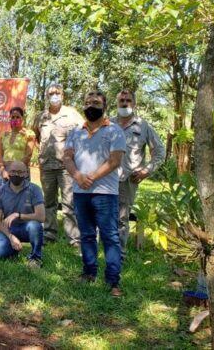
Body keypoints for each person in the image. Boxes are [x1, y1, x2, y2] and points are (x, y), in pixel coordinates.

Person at [63, 90, 126, 297]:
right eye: (88, 102)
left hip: (106, 193)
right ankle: (89, 272)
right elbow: (67, 158)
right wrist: (77, 176)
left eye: (96, 103)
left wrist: (92, 177)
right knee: (87, 235)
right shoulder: (75, 132)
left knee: (110, 236)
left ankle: (113, 281)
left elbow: (115, 160)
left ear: (104, 106)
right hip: (81, 192)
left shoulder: (115, 131)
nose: (91, 105)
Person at [111, 89, 164, 258]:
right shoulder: (109, 124)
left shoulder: (143, 126)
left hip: (128, 179)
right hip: (106, 177)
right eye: (121, 100)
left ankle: (119, 253)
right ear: (117, 103)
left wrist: (146, 171)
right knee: (104, 213)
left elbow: (160, 152)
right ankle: (103, 248)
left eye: (128, 100)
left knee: (122, 217)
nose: (125, 103)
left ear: (134, 104)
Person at [32, 84, 84, 245]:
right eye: (51, 93)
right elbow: (34, 135)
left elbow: (84, 133)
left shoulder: (72, 115)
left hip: (66, 167)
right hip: (46, 166)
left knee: (69, 203)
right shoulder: (41, 116)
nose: (54, 96)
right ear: (47, 96)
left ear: (63, 95)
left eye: (57, 93)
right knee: (48, 202)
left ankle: (74, 239)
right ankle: (49, 234)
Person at [0, 161, 46, 268]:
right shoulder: (0, 191)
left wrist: (18, 215)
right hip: (10, 229)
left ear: (26, 174)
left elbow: (41, 217)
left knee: (35, 226)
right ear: (7, 173)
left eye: (20, 172)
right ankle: (13, 247)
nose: (16, 175)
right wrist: (11, 237)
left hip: (28, 227)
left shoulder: (34, 189)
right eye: (13, 171)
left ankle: (35, 258)